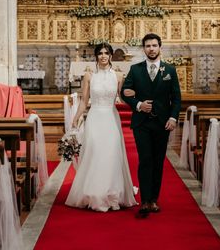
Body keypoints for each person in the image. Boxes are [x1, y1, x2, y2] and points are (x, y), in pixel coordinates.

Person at [65, 43, 138, 212]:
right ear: (96, 56)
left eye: (106, 53)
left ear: (111, 56)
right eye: (100, 53)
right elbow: (84, 101)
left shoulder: (118, 76)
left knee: (111, 153)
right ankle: (94, 192)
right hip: (95, 117)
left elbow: (123, 98)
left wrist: (137, 101)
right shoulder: (89, 76)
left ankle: (113, 192)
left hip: (112, 118)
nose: (103, 56)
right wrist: (76, 118)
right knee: (95, 152)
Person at [121, 33, 181, 217]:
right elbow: (125, 92)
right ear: (143, 49)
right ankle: (145, 201)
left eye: (154, 45)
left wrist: (173, 118)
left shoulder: (169, 70)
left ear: (160, 47)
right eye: (148, 46)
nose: (151, 49)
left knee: (158, 161)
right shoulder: (135, 69)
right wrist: (138, 105)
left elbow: (176, 98)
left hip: (162, 124)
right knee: (145, 160)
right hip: (142, 123)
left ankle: (154, 198)